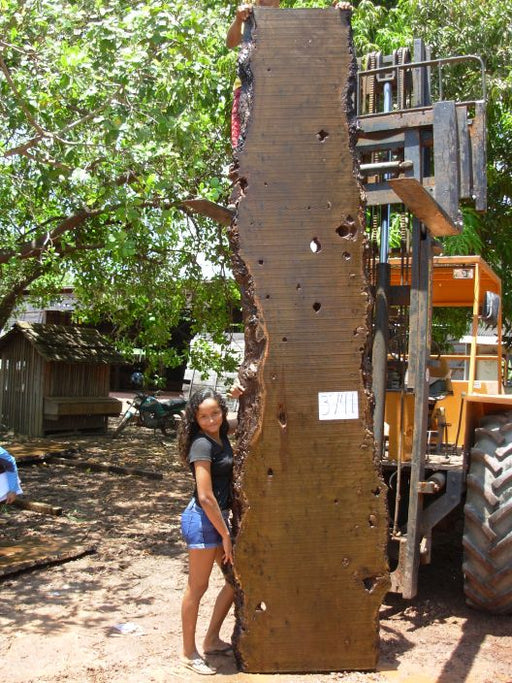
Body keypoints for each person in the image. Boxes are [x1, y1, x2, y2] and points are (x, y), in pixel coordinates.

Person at [178, 388, 236, 676]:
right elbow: (205, 496)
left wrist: (243, 390)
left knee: (236, 581)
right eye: (204, 416)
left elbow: (253, 415)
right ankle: (189, 653)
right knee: (197, 588)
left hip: (216, 518)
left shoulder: (221, 432)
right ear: (195, 418)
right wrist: (225, 534)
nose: (211, 419)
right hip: (202, 519)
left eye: (215, 413)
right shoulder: (202, 444)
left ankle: (211, 639)